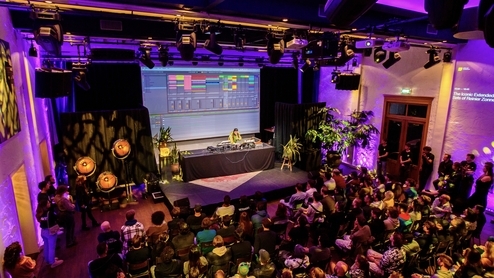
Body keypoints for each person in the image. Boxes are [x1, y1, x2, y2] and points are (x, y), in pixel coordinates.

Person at [35, 199, 64, 268]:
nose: (49, 203)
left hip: (43, 231)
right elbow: (56, 219)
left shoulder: (40, 213)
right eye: (48, 202)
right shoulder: (49, 213)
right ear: (45, 205)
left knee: (46, 246)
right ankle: (52, 262)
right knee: (52, 247)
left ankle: (48, 260)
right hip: (50, 231)